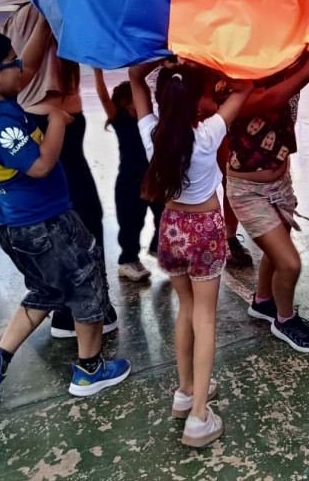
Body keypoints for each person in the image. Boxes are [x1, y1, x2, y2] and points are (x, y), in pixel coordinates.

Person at [0, 31, 130, 403]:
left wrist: (46, 24)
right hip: (45, 223)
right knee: (87, 288)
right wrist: (57, 122)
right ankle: (89, 370)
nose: (21, 68)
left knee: (46, 292)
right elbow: (41, 166)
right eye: (12, 63)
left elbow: (30, 66)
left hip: (18, 225)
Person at [129, 60, 252, 447]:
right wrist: (216, 64)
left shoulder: (152, 133)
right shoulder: (208, 134)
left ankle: (185, 392)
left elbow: (134, 77)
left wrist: (159, 54)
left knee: (186, 309)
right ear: (199, 99)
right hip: (205, 231)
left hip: (171, 228)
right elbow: (245, 87)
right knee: (206, 319)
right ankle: (199, 416)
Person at [1, 3, 116, 338]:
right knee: (81, 218)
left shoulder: (14, 18)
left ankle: (70, 311)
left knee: (66, 216)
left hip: (49, 118)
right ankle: (85, 313)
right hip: (52, 119)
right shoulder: (44, 9)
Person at [223, 54, 309, 353]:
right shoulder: (228, 81)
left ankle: (263, 300)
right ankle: (284, 318)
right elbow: (269, 100)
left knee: (276, 248)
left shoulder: (274, 66)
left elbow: (295, 70)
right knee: (290, 262)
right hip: (247, 191)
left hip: (281, 183)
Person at [93, 69, 161, 282]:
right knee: (131, 224)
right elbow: (104, 97)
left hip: (154, 180)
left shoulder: (149, 120)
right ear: (124, 102)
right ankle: (127, 260)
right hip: (130, 183)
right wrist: (97, 70)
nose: (144, 101)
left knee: (166, 215)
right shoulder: (120, 119)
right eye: (137, 99)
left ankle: (157, 247)